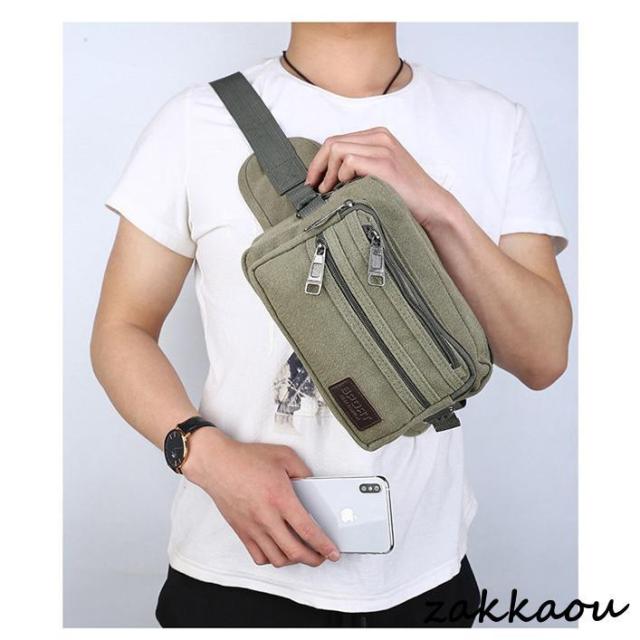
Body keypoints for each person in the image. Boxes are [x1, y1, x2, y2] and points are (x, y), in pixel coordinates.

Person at [91, 22, 572, 628]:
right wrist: (207, 458)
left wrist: (437, 208)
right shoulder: (194, 120)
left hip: (425, 577)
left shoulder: (496, 125)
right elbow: (121, 329)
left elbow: (542, 357)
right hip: (235, 570)